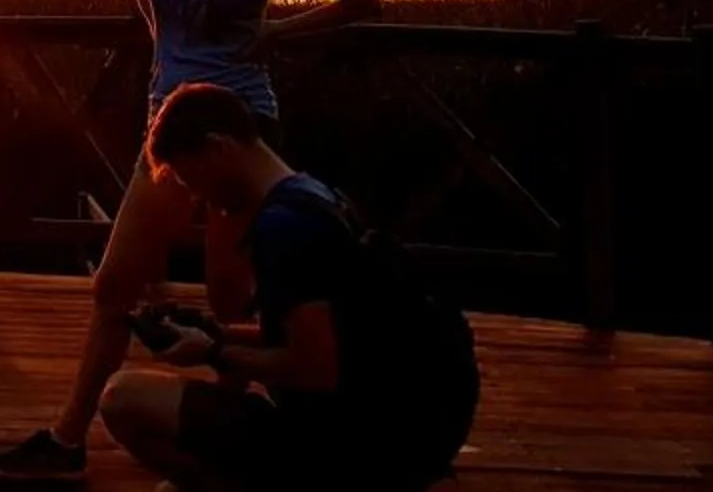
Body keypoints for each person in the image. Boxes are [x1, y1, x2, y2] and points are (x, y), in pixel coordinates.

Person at [0, 0, 386, 482]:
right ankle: (66, 439)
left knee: (228, 296)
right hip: (167, 122)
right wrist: (168, 62)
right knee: (115, 283)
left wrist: (276, 32)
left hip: (239, 124)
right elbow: (147, 0)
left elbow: (361, 0)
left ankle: (210, 437)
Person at [99, 82, 478, 491]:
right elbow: (319, 335)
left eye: (193, 180)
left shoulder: (284, 229)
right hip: (397, 434)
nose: (196, 198)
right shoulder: (315, 197)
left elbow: (316, 368)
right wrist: (215, 331)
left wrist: (213, 352)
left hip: (347, 449)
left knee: (123, 398)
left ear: (219, 147)